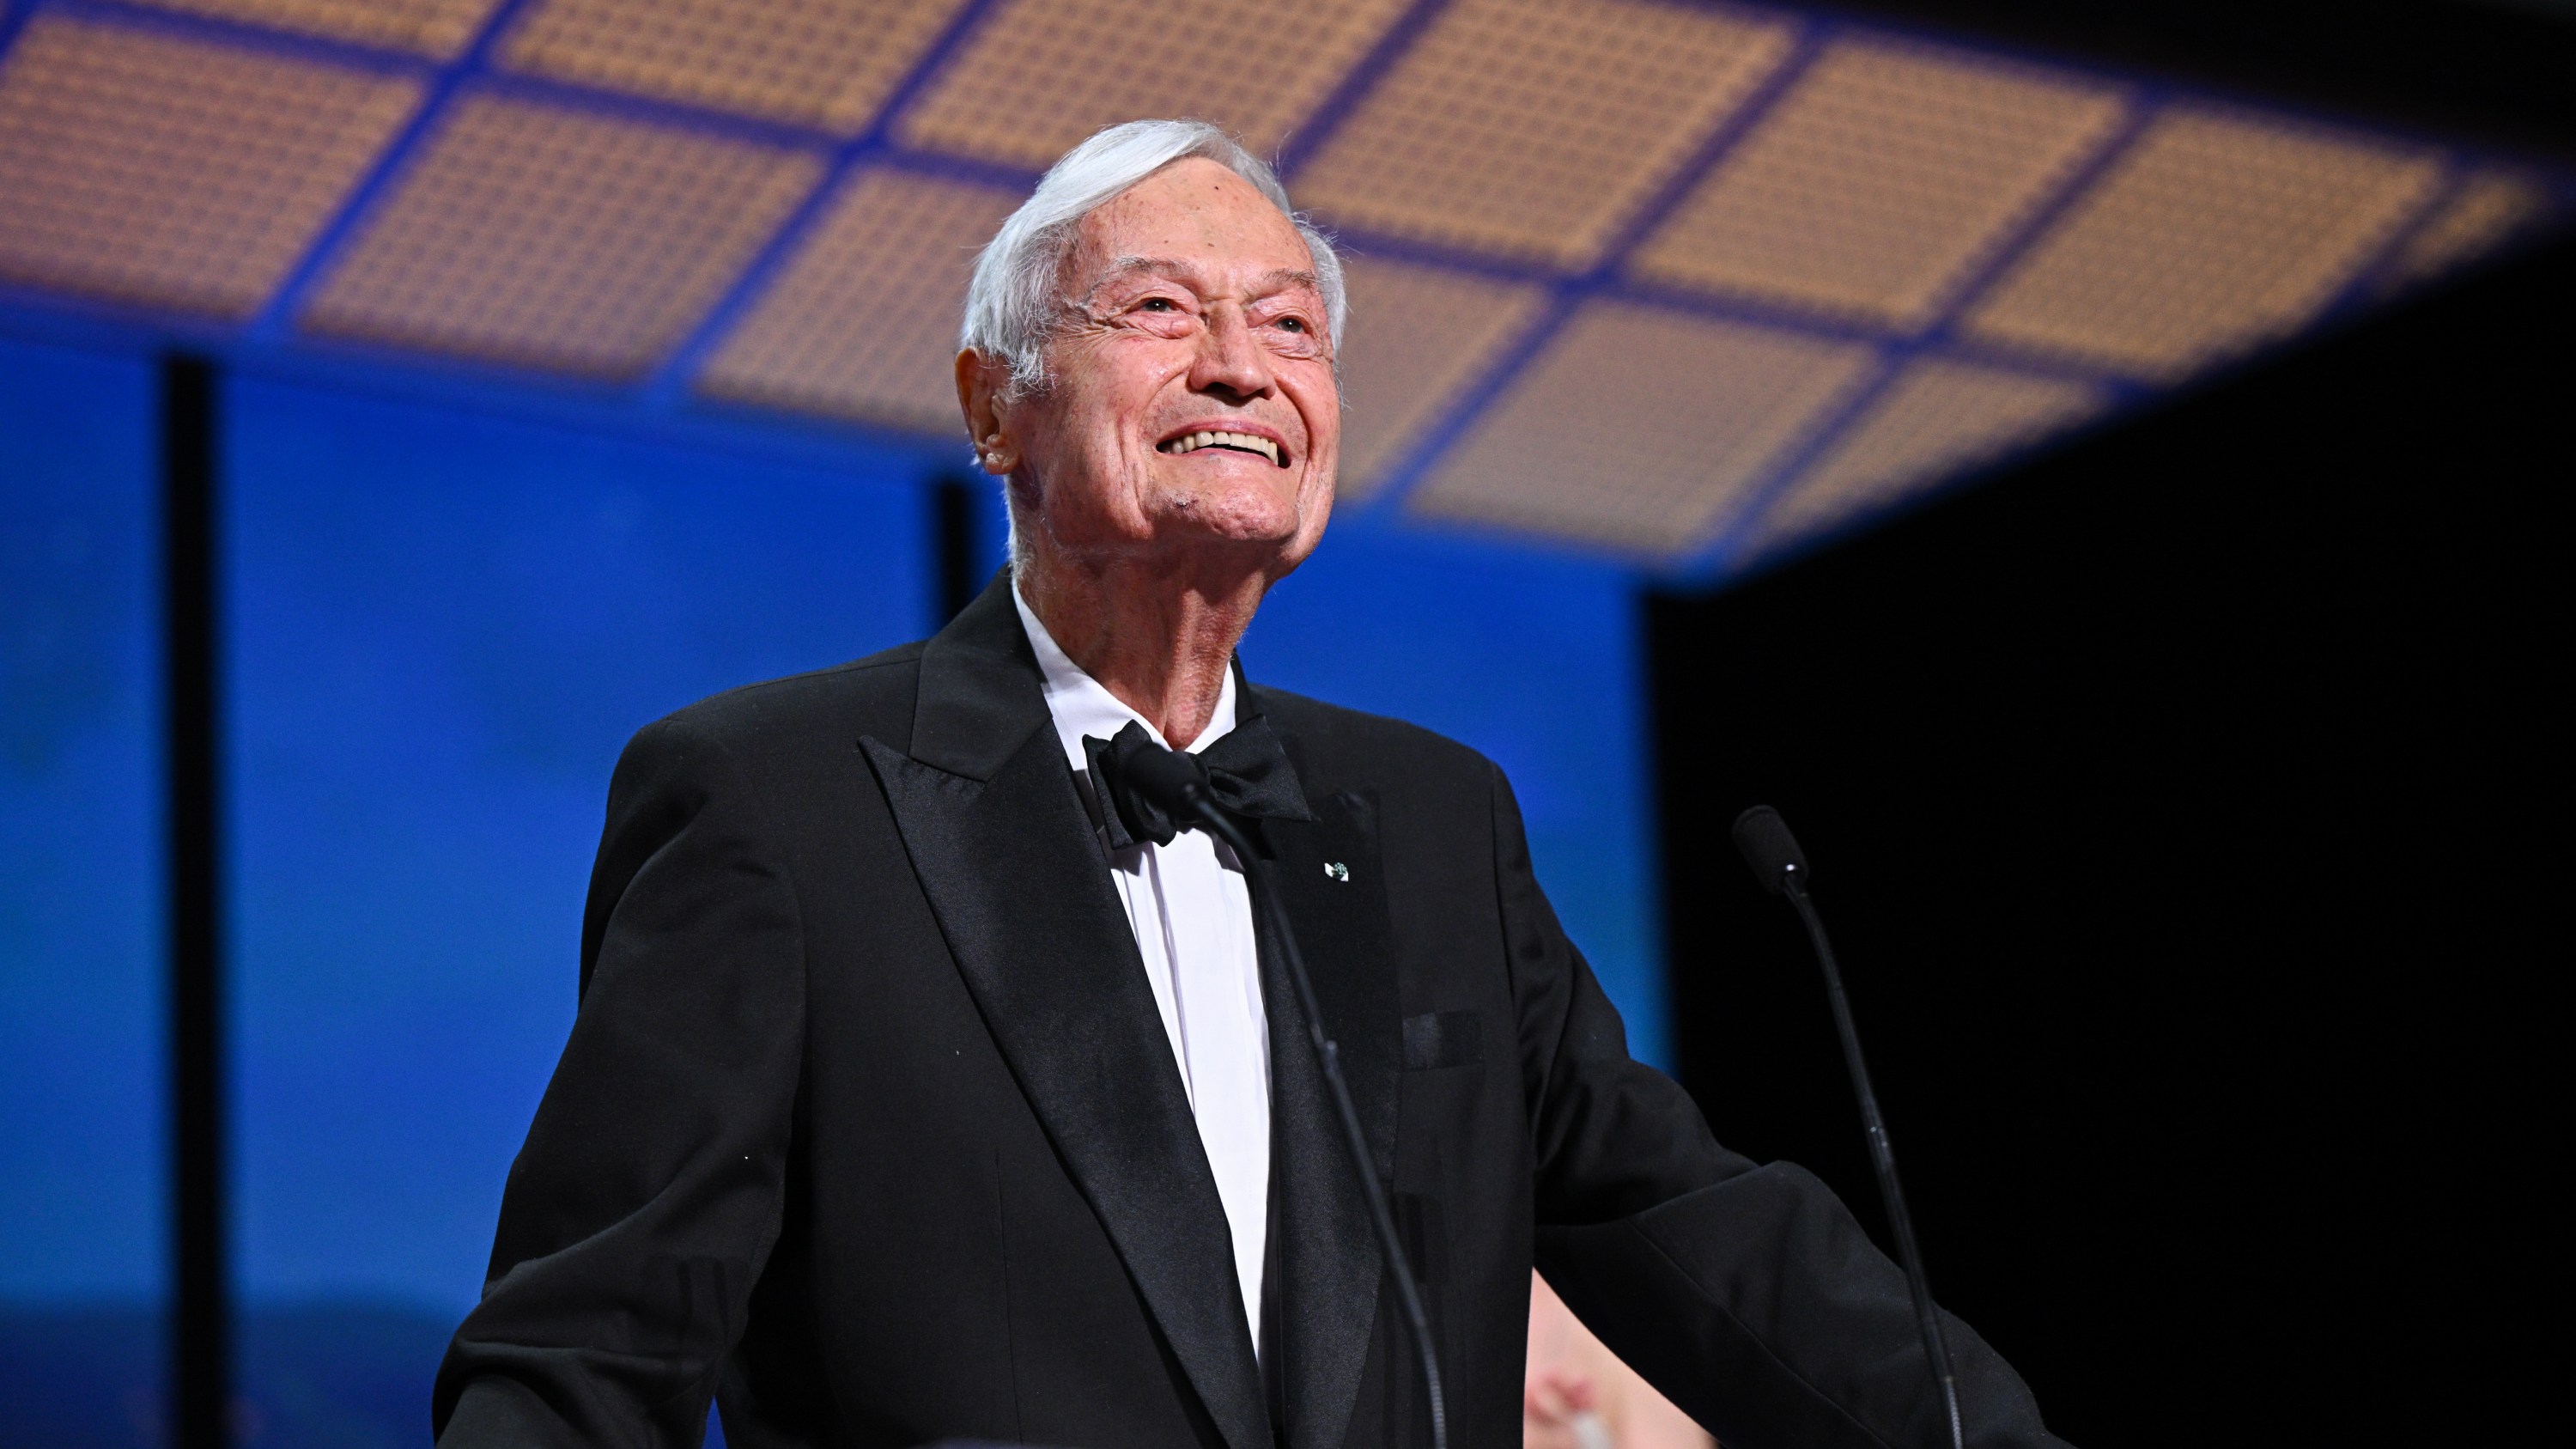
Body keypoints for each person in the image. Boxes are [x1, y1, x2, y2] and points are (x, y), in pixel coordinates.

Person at [430, 119, 2068, 1449]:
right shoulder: (773, 802)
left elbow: (1701, 1242)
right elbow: (587, 1357)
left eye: (1288, 326)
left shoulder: (1433, 825)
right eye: (1158, 313)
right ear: (994, 406)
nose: (1239, 366)